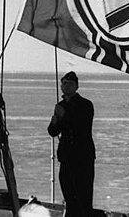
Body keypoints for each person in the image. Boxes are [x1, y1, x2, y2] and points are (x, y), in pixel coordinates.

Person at [48, 71, 96, 217]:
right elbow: (52, 131)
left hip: (82, 158)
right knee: (69, 195)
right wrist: (56, 118)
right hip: (66, 157)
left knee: (84, 196)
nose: (66, 86)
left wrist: (63, 115)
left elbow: (82, 126)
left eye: (70, 83)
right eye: (64, 83)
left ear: (77, 86)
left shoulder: (86, 105)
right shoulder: (60, 106)